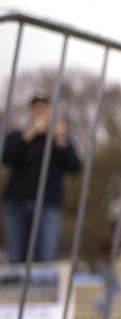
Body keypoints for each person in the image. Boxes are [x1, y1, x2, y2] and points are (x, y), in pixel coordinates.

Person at [2, 92, 80, 264]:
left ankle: (41, 291)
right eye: (36, 108)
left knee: (47, 255)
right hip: (17, 202)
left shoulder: (59, 138)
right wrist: (28, 135)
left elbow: (75, 167)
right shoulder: (18, 135)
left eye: (44, 108)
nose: (40, 111)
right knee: (16, 255)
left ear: (50, 111)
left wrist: (60, 140)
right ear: (30, 111)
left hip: (48, 203)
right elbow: (6, 157)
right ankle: (17, 290)